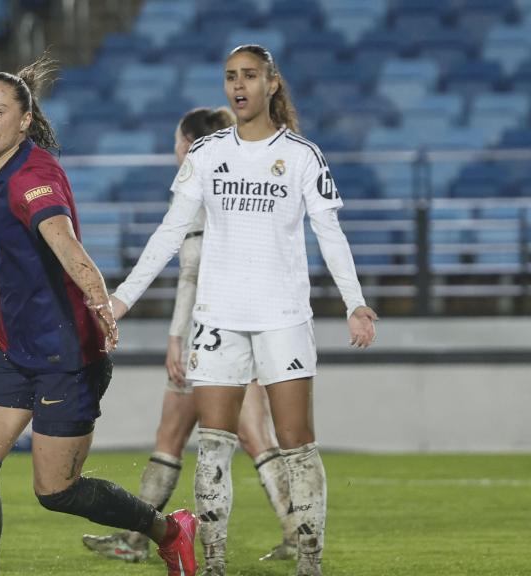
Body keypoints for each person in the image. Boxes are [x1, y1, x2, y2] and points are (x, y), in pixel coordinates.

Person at [110, 45, 378, 576]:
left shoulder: (302, 155)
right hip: (219, 317)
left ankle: (309, 562)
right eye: (231, 76)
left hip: (283, 317)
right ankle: (213, 563)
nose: (239, 85)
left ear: (271, 83)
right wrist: (123, 296)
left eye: (250, 75)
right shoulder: (208, 153)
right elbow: (170, 232)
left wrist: (356, 302)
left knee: (297, 443)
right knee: (213, 445)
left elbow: (330, 232)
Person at [0, 55, 197, 576]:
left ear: (24, 121)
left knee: (56, 490)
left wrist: (99, 299)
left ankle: (171, 531)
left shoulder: (33, 175)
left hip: (65, 351)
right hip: (13, 343)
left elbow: (64, 242)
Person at [82, 107, 299, 565]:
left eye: (178, 140)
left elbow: (191, 273)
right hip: (246, 323)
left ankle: (140, 539)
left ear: (190, 143)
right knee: (221, 435)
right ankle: (139, 537)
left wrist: (178, 337)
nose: (175, 148)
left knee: (188, 436)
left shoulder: (201, 188)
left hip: (211, 335)